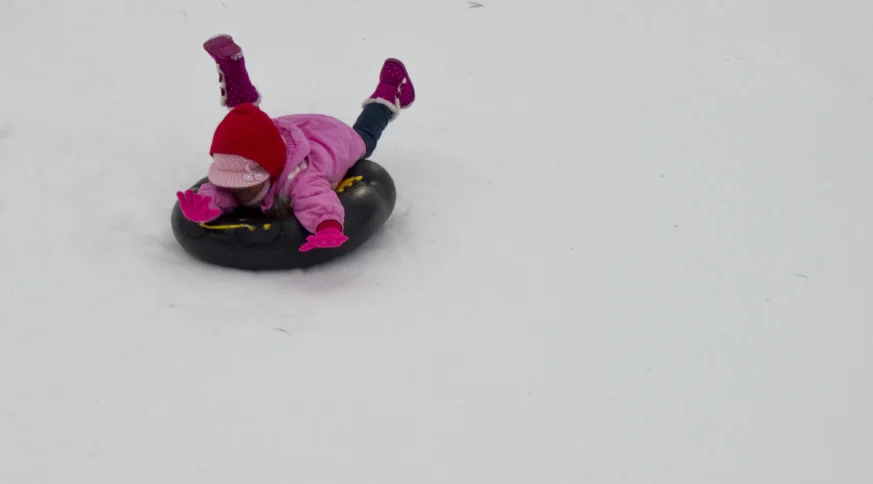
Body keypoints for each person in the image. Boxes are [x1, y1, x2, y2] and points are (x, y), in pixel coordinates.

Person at [176, 34, 415, 252]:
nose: (240, 192)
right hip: (280, 136)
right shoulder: (240, 177)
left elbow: (317, 200)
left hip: (331, 139)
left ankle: (389, 92)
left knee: (364, 138)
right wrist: (205, 206)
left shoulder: (299, 179)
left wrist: (327, 226)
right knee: (245, 130)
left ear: (270, 173)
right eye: (234, 184)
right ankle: (235, 74)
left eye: (246, 185)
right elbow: (220, 192)